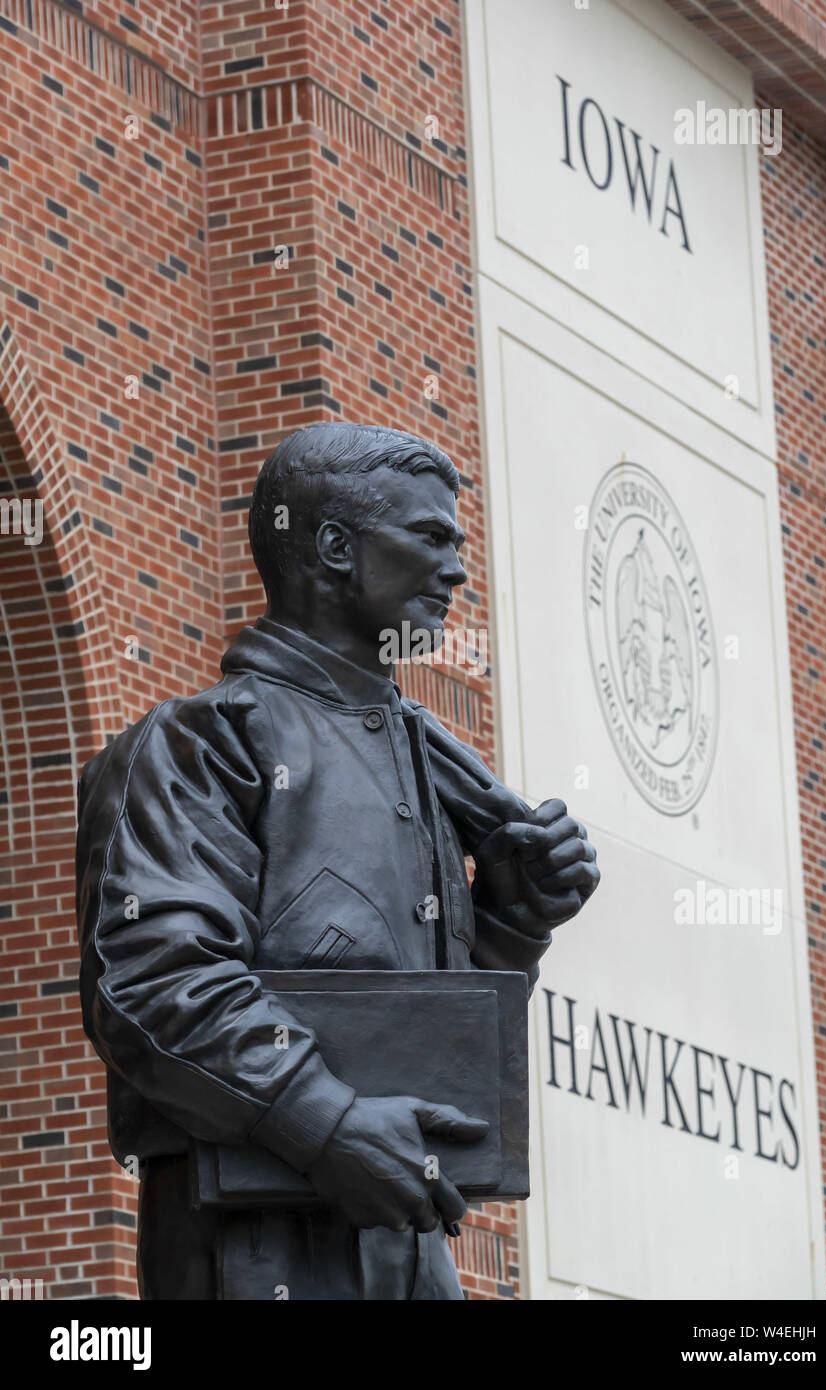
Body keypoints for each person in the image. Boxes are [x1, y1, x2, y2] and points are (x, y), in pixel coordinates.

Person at [75, 422, 600, 1300]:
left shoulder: (426, 764)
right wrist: (329, 1123)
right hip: (254, 1251)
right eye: (430, 538)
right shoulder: (200, 742)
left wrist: (514, 918)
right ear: (333, 547)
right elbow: (151, 985)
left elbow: (423, 1037)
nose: (458, 571)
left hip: (412, 1247)